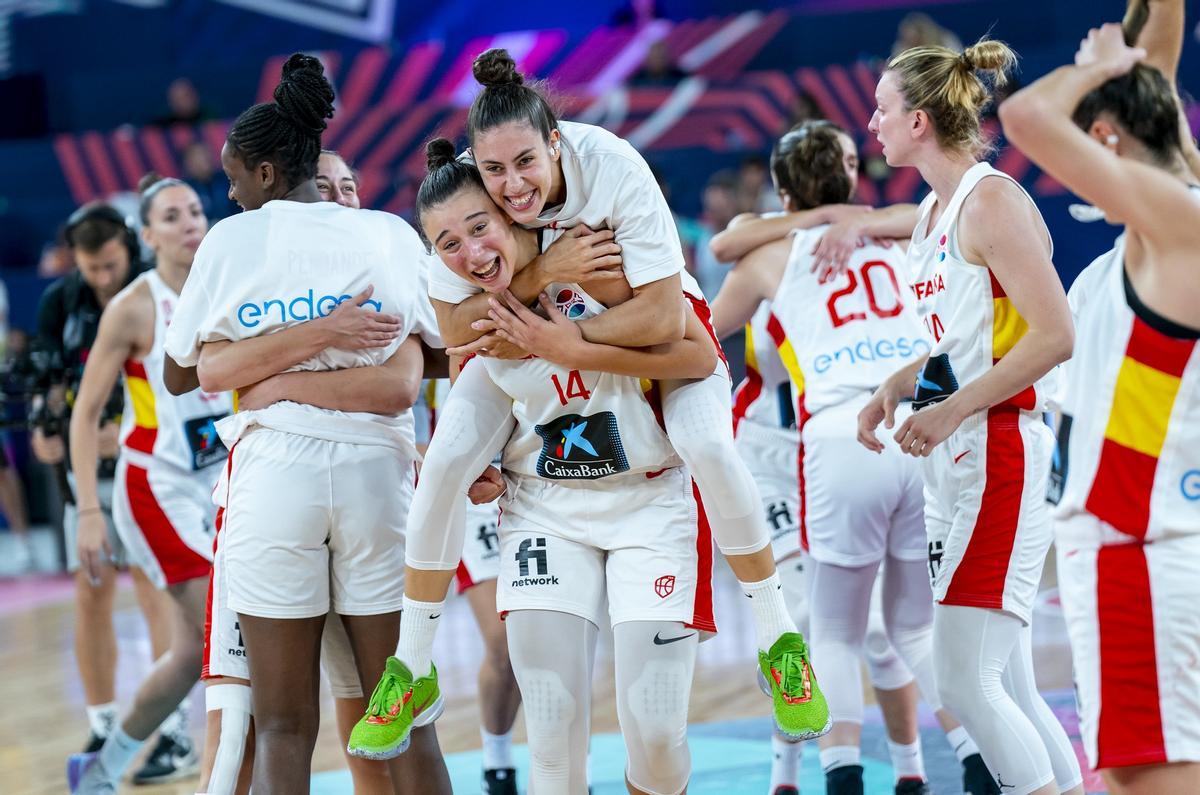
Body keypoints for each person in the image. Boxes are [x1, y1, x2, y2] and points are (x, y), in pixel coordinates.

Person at [368, 48, 828, 750]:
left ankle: (779, 637)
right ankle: (411, 662)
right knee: (445, 461)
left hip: (637, 327)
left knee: (706, 442)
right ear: (475, 169)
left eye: (525, 163)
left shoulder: (610, 171)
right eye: (494, 172)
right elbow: (459, 331)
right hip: (536, 343)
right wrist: (545, 275)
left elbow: (675, 331)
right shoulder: (467, 203)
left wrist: (570, 344)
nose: (512, 187)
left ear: (554, 142)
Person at [364, 137, 718, 793]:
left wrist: (571, 342)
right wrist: (481, 457)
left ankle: (776, 624)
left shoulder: (601, 263)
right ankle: (409, 664)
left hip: (649, 499)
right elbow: (468, 384)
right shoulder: (467, 315)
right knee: (552, 740)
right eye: (448, 245)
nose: (471, 253)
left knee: (659, 736)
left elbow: (699, 355)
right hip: (543, 510)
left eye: (480, 228)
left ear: (515, 214)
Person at [161, 53, 450, 795]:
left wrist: (271, 369)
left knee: (285, 724)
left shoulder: (230, 240)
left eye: (231, 178)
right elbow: (434, 362)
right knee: (406, 715)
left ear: (262, 173)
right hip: (378, 479)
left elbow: (185, 370)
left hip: (274, 473)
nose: (229, 193)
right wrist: (326, 329)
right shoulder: (385, 233)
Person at [712, 120, 995, 795]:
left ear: (782, 190)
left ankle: (841, 780)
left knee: (834, 634)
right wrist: (851, 216)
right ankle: (979, 759)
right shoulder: (902, 230)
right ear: (852, 176)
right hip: (918, 428)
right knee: (912, 627)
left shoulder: (769, 257)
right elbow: (913, 213)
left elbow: (704, 328)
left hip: (841, 435)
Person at [856, 37, 1083, 795]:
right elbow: (964, 342)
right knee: (1005, 684)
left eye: (883, 109)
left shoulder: (991, 201)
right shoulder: (931, 212)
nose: (872, 122)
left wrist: (950, 407)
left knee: (961, 679)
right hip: (954, 466)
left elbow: (1055, 335)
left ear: (919, 120)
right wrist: (900, 381)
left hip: (1001, 458)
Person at [999, 6, 1200, 794]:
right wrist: (1138, 47)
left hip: (1137, 548)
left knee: (1145, 781)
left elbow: (1023, 115)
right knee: (1127, 777)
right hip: (1137, 548)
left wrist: (1097, 63)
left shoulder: (1177, 226)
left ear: (1108, 141)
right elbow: (1159, 69)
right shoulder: (1171, 212)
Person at [65, 176, 236, 794]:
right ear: (147, 234)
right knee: (231, 630)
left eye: (195, 209)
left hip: (224, 481)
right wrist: (87, 508)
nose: (190, 222)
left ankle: (99, 772)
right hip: (155, 487)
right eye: (172, 215)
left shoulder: (231, 280)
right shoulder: (134, 306)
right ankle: (231, 776)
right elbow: (85, 415)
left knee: (194, 653)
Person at [34, 203, 187, 783]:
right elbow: (50, 387)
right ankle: (102, 723)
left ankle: (169, 731)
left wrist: (114, 430)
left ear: (131, 247)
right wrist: (48, 429)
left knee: (157, 592)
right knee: (91, 586)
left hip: (154, 463)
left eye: (110, 265)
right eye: (90, 268)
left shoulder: (150, 295)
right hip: (87, 474)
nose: (101, 277)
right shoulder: (59, 303)